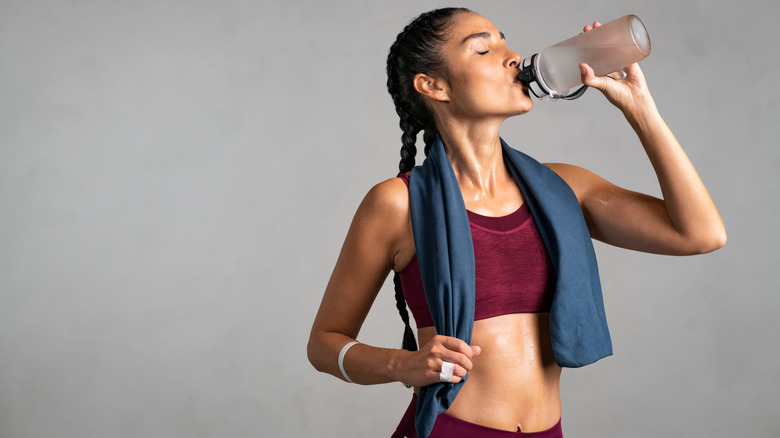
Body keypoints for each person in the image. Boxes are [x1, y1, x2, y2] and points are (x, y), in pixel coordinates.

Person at [307, 7, 726, 438]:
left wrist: (642, 113)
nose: (513, 56)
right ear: (432, 85)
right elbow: (324, 342)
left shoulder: (565, 188)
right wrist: (404, 364)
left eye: (506, 42)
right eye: (484, 48)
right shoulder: (399, 202)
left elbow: (700, 234)